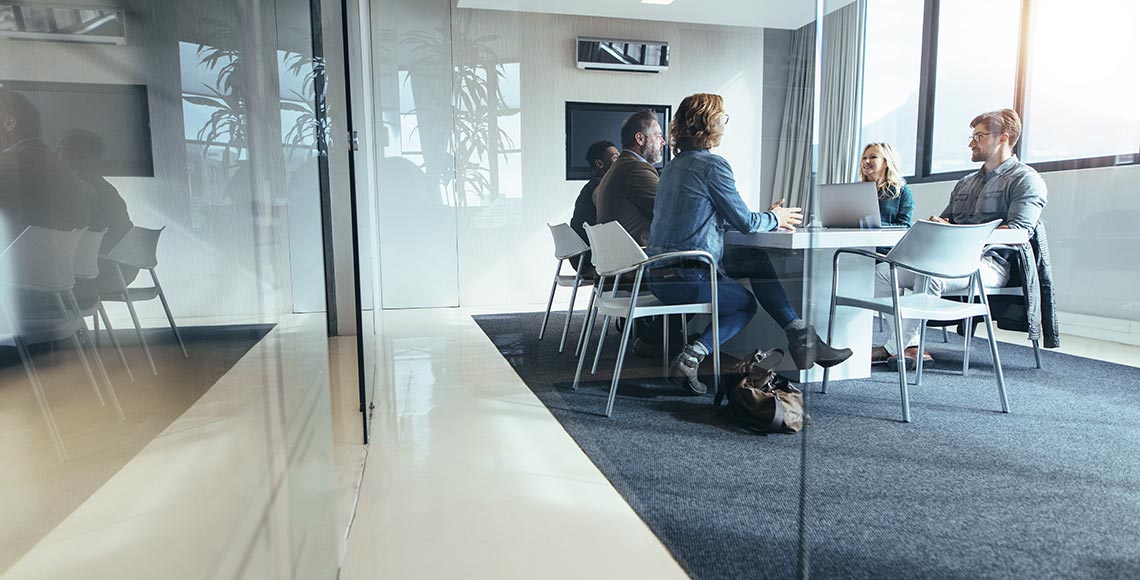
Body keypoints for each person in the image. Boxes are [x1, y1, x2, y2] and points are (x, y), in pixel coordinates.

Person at [647, 93, 851, 395]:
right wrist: (775, 216)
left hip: (656, 276)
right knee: (745, 305)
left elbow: (711, 217)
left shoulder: (670, 169)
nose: (725, 124)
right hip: (688, 277)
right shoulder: (713, 166)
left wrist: (766, 216)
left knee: (757, 259)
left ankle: (802, 338)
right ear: (709, 123)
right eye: (723, 118)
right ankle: (693, 356)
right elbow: (745, 222)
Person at [871, 108, 1047, 368]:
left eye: (978, 137)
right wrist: (940, 225)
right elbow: (947, 222)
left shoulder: (1026, 179)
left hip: (991, 263)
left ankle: (895, 347)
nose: (970, 143)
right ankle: (908, 345)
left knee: (928, 272)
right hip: (947, 259)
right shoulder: (965, 183)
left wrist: (960, 234)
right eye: (972, 137)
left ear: (1003, 138)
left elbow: (1020, 231)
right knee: (883, 273)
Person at [0, 87, 94, 244]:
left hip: (17, 264)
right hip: (58, 266)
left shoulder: (11, 163)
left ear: (10, 122)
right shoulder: (58, 166)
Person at [56, 128, 137, 292]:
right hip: (120, 269)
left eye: (60, 148)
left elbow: (68, 232)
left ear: (80, 155)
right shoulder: (104, 187)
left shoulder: (83, 188)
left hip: (101, 271)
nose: (54, 153)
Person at [593, 110, 664, 246]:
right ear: (640, 139)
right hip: (639, 259)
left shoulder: (621, 165)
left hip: (619, 257)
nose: (663, 142)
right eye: (658, 136)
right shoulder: (635, 169)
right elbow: (670, 208)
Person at [570, 140, 618, 276]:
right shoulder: (601, 187)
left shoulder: (591, 185)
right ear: (599, 164)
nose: (621, 161)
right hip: (590, 259)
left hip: (581, 257)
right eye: (615, 157)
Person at [859, 142, 914, 227]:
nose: (866, 161)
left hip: (885, 239)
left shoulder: (901, 191)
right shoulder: (856, 191)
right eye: (864, 158)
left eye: (873, 157)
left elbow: (905, 226)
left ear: (886, 162)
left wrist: (873, 225)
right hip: (854, 238)